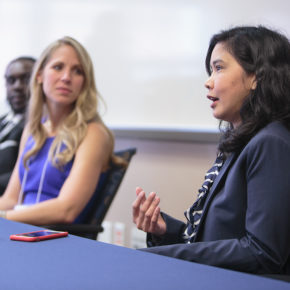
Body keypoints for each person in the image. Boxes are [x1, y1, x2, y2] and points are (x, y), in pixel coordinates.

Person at [132, 26, 290, 275]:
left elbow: (263, 252)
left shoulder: (271, 143)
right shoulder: (242, 140)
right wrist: (166, 231)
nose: (208, 82)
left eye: (219, 68)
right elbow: (220, 239)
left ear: (256, 76)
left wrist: (159, 257)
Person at [0, 36, 118, 225]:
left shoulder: (94, 133)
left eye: (77, 71)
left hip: (55, 239)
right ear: (39, 75)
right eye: (58, 67)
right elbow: (11, 199)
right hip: (18, 230)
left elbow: (66, 209)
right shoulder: (33, 129)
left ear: (84, 82)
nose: (66, 77)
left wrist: (5, 217)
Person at [0, 57, 36, 195]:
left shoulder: (40, 129)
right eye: (11, 80)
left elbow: (26, 175)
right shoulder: (3, 122)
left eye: (25, 79)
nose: (17, 86)